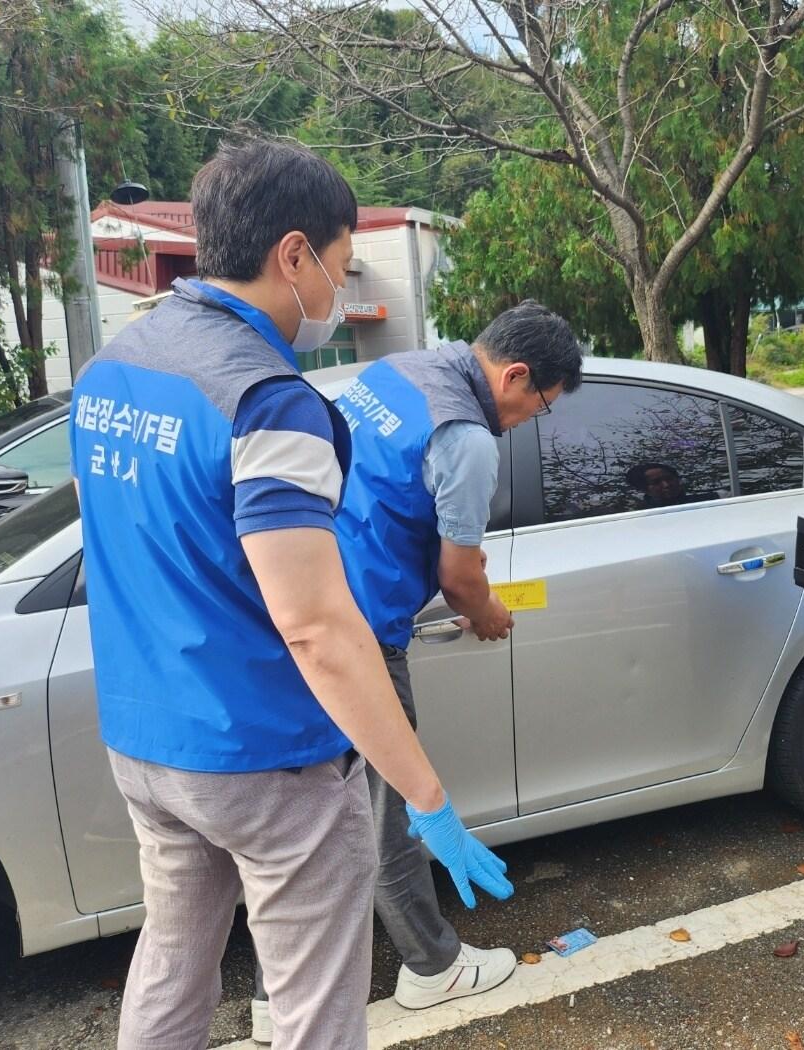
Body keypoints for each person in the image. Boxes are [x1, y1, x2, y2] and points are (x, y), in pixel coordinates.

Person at [70, 140, 512, 1050]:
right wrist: (422, 793)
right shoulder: (269, 402)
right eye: (344, 268)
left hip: (145, 738)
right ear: (295, 255)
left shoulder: (116, 365)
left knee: (174, 957)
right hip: (266, 754)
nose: (342, 294)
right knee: (315, 1005)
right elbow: (314, 626)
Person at [248, 300, 581, 1039]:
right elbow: (462, 578)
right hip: (362, 635)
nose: (532, 419)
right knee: (390, 811)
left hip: (301, 594)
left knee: (304, 818)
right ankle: (433, 966)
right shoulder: (466, 440)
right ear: (516, 374)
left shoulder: (399, 370)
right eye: (541, 406)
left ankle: (276, 992)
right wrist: (487, 611)